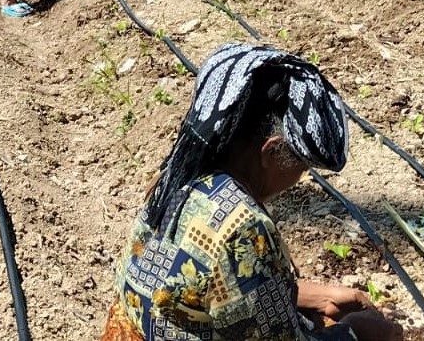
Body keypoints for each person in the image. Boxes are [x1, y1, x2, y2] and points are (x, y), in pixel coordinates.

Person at [101, 42, 403, 341]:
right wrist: (355, 332)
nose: (300, 178)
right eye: (302, 167)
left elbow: (202, 289)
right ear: (271, 153)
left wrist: (321, 298)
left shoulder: (174, 179)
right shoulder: (242, 228)